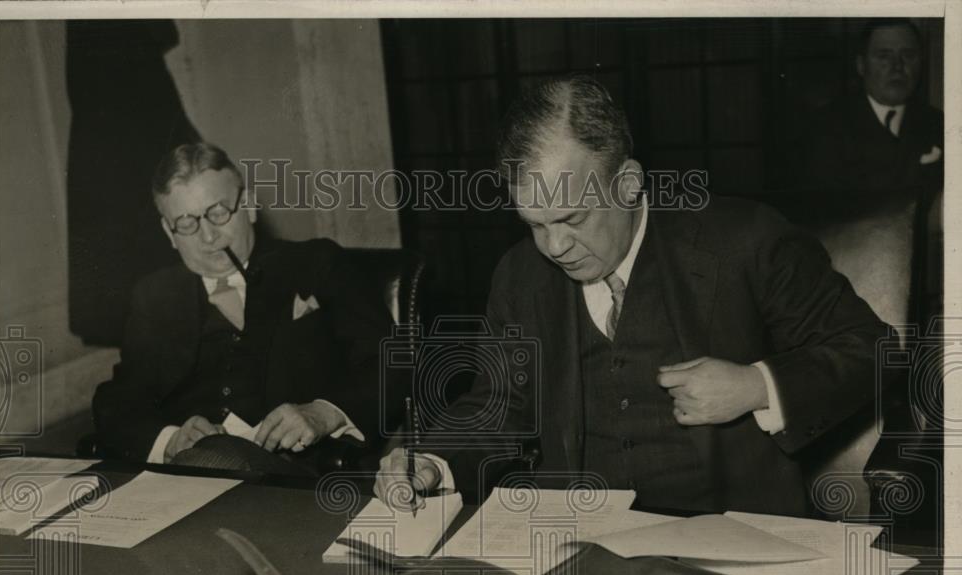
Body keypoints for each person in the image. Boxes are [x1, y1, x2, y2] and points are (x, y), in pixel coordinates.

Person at [374, 75, 888, 517]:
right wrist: (430, 460)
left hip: (734, 534)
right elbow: (498, 402)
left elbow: (870, 350)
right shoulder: (520, 275)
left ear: (627, 184)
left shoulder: (745, 241)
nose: (554, 247)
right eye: (534, 224)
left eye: (573, 219)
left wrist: (757, 386)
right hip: (581, 539)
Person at [93, 142, 391, 471]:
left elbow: (392, 361)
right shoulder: (154, 295)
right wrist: (169, 439)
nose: (208, 237)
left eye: (218, 213)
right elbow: (120, 400)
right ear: (169, 231)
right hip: (191, 473)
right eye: (187, 223)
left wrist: (324, 412)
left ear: (248, 206)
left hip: (299, 473)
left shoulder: (316, 263)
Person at [799, 18, 943, 204]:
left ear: (920, 63)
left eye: (907, 55)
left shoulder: (939, 124)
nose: (897, 67)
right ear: (861, 65)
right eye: (884, 56)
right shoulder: (825, 127)